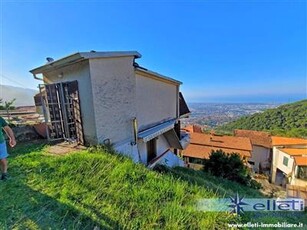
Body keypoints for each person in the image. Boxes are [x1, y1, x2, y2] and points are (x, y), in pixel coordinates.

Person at [0, 116, 16, 180]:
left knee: (2, 160)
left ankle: (4, 174)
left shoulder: (0, 119)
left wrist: (12, 138)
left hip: (0, 143)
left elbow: (7, 128)